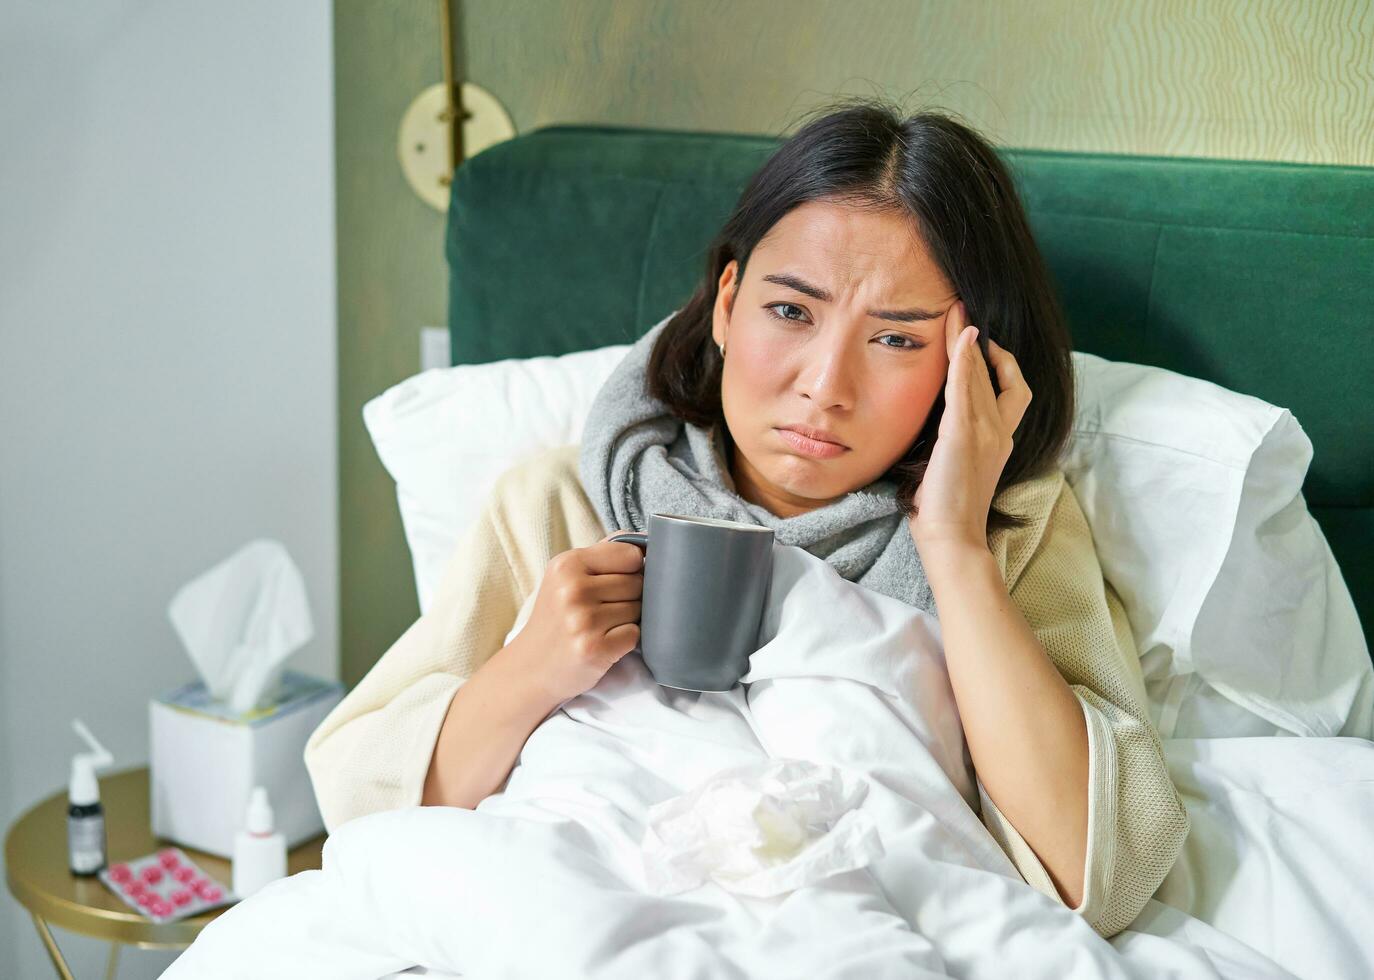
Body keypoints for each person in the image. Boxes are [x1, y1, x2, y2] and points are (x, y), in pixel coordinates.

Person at [305, 99, 1188, 940]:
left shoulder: (1009, 532)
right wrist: (529, 672)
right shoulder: (560, 503)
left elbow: (1096, 874)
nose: (824, 386)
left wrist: (954, 551)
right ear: (727, 303)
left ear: (970, 363)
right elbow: (364, 806)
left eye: (896, 339)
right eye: (790, 311)